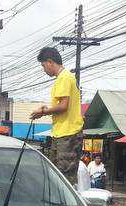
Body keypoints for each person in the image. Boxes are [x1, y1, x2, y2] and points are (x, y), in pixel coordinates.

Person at [30, 47, 84, 180]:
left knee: (64, 179)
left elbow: (64, 106)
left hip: (68, 134)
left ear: (50, 62)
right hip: (61, 134)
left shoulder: (64, 77)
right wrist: (46, 110)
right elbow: (61, 105)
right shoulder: (62, 78)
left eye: (43, 66)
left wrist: (43, 112)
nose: (44, 70)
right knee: (54, 176)